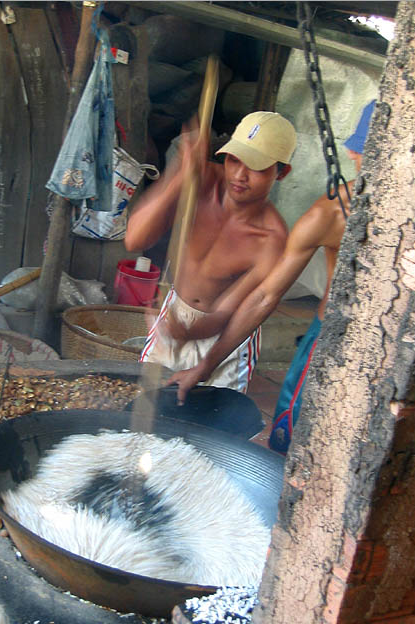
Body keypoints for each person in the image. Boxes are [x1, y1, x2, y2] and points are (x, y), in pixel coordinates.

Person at [167, 100, 376, 453]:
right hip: (332, 337)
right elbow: (265, 296)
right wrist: (205, 366)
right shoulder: (329, 215)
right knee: (292, 439)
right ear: (355, 154)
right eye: (359, 155)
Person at [124, 111, 296, 393]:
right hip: (175, 312)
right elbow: (134, 238)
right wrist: (179, 177)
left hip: (225, 337)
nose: (240, 175)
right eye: (234, 160)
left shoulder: (272, 239)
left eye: (257, 167)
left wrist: (192, 338)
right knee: (147, 404)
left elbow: (227, 312)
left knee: (211, 423)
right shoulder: (199, 180)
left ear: (282, 172)